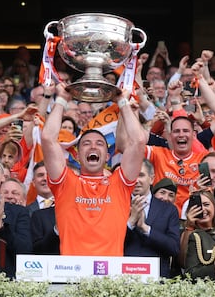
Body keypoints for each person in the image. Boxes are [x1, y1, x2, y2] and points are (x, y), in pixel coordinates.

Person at [40, 88, 146, 256]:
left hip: (110, 277)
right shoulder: (64, 182)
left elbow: (139, 141)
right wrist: (61, 99)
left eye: (99, 143)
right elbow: (47, 138)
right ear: (77, 155)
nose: (93, 146)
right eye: (86, 143)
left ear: (107, 157)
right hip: (70, 274)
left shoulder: (120, 183)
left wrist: (123, 102)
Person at [123, 160, 180, 278]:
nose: (136, 180)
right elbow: (110, 242)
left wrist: (145, 228)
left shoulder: (168, 209)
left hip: (157, 280)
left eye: (141, 175)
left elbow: (174, 248)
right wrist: (131, 222)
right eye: (132, 175)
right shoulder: (118, 204)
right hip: (124, 277)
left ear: (151, 179)